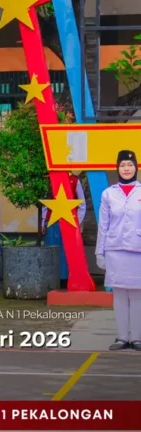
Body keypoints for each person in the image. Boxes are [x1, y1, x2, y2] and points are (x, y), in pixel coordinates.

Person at [97, 150, 141, 350]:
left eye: (130, 165)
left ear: (136, 168)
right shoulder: (108, 194)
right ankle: (122, 337)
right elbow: (103, 225)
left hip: (138, 249)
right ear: (117, 168)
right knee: (120, 294)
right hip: (115, 249)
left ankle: (138, 338)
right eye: (123, 165)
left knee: (137, 295)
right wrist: (100, 252)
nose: (126, 169)